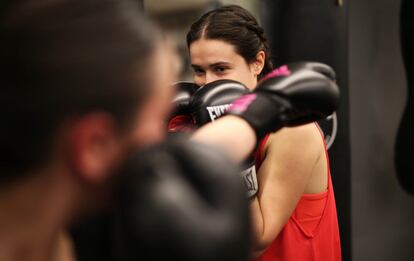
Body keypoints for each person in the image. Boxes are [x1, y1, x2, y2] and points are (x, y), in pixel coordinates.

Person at [185, 5, 342, 261]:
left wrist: (233, 156)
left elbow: (256, 241)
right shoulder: (206, 122)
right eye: (199, 71)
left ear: (257, 62)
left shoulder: (291, 129)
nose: (208, 83)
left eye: (221, 69)